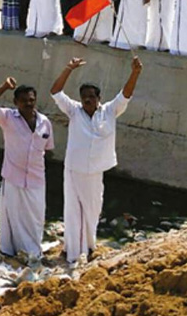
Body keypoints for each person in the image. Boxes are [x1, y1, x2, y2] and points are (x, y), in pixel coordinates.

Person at [50, 55, 143, 263]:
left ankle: (89, 246)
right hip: (74, 169)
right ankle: (73, 251)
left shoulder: (109, 111)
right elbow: (55, 91)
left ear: (98, 97)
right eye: (84, 97)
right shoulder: (74, 111)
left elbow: (125, 94)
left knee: (93, 210)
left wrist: (135, 72)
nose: (87, 100)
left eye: (91, 96)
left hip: (95, 172)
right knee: (73, 211)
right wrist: (68, 68)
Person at [0, 77, 54, 257]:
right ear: (16, 102)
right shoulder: (7, 117)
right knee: (11, 217)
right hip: (13, 177)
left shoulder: (45, 122)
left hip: (36, 179)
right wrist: (4, 86)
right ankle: (9, 251)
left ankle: (33, 253)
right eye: (24, 101)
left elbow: (49, 150)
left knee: (35, 219)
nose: (28, 104)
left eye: (31, 100)